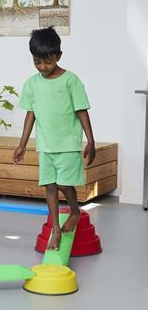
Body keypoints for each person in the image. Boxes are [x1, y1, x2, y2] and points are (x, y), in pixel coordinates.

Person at [13, 27, 96, 250]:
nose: (42, 67)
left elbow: (82, 111)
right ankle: (56, 230)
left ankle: (75, 212)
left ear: (58, 56)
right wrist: (22, 145)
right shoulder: (32, 83)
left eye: (47, 62)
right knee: (49, 186)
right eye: (37, 62)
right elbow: (30, 115)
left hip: (68, 144)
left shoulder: (71, 81)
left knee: (63, 184)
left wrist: (91, 141)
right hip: (46, 145)